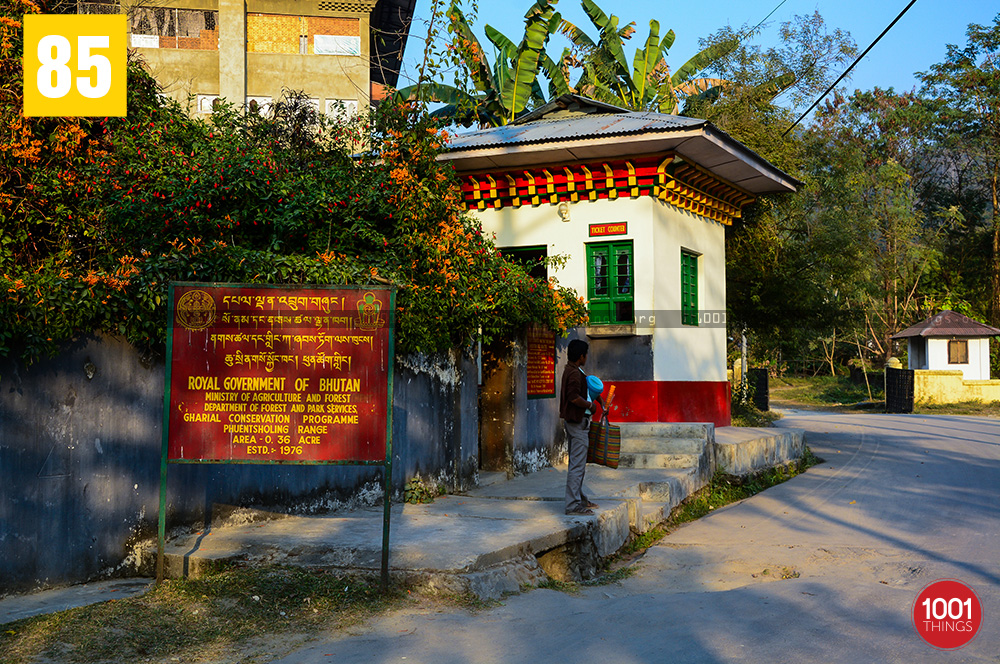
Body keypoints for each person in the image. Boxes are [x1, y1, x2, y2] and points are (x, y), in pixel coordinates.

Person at [560, 339, 603, 516]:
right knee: (577, 466)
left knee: (578, 463)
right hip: (577, 422)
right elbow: (573, 397)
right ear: (581, 356)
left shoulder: (575, 370)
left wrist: (598, 401)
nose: (587, 357)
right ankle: (572, 505)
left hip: (577, 422)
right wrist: (590, 406)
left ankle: (580, 498)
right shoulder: (574, 374)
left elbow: (588, 389)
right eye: (586, 355)